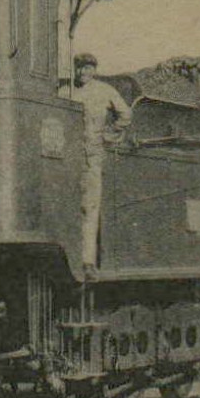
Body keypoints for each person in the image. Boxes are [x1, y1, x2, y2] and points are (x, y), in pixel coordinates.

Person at [70, 52, 132, 267]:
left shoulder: (104, 90)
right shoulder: (66, 91)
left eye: (88, 68)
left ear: (94, 70)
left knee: (90, 206)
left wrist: (108, 134)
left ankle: (87, 260)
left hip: (93, 154)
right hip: (69, 155)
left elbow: (125, 114)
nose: (84, 72)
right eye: (80, 67)